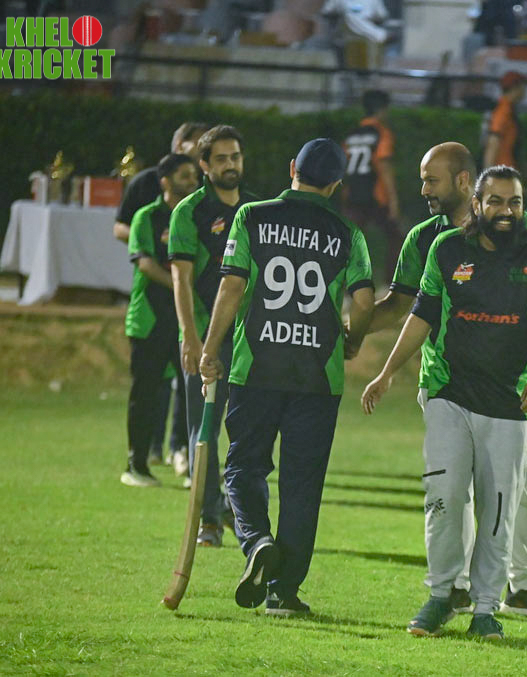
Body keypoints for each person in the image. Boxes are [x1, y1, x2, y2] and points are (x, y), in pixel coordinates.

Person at [369, 142, 527, 617]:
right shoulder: (430, 241)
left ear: (463, 182)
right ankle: (453, 589)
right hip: (445, 382)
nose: (424, 190)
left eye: (432, 180)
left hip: (513, 390)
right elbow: (410, 307)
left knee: (512, 494)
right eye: (422, 180)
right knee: (449, 491)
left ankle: (516, 585)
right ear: (477, 200)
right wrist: (369, 351)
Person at [199, 138, 374, 616]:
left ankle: (256, 540)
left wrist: (210, 349)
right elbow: (363, 301)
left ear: (292, 166)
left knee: (243, 465)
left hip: (256, 367)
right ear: (336, 184)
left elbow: (231, 286)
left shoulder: (251, 216)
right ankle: (283, 591)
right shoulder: (347, 233)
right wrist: (353, 339)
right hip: (318, 376)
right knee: (302, 483)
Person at [169, 125, 258, 547]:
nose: (230, 165)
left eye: (235, 156)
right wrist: (190, 338)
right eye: (221, 159)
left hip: (249, 338)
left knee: (249, 431)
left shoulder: (256, 210)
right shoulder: (190, 211)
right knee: (203, 429)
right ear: (204, 165)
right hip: (206, 337)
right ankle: (209, 520)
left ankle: (242, 515)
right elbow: (181, 279)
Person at [114, 121, 208, 478]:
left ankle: (185, 457)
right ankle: (137, 463)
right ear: (165, 182)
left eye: (194, 176)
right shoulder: (146, 216)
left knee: (190, 389)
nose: (193, 181)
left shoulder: (196, 217)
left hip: (186, 318)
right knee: (147, 391)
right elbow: (145, 263)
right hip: (150, 317)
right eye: (185, 176)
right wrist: (182, 285)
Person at [343, 89, 402, 284]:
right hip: (375, 195)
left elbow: (345, 165)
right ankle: (390, 284)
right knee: (396, 237)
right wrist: (393, 200)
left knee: (349, 243)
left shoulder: (352, 134)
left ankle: (346, 286)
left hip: (353, 194)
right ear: (382, 109)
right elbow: (384, 165)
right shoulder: (382, 133)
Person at [482, 70, 527, 171]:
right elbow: (493, 142)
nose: (525, 89)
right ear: (516, 87)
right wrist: (488, 175)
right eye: (523, 85)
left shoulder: (507, 109)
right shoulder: (503, 111)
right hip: (502, 171)